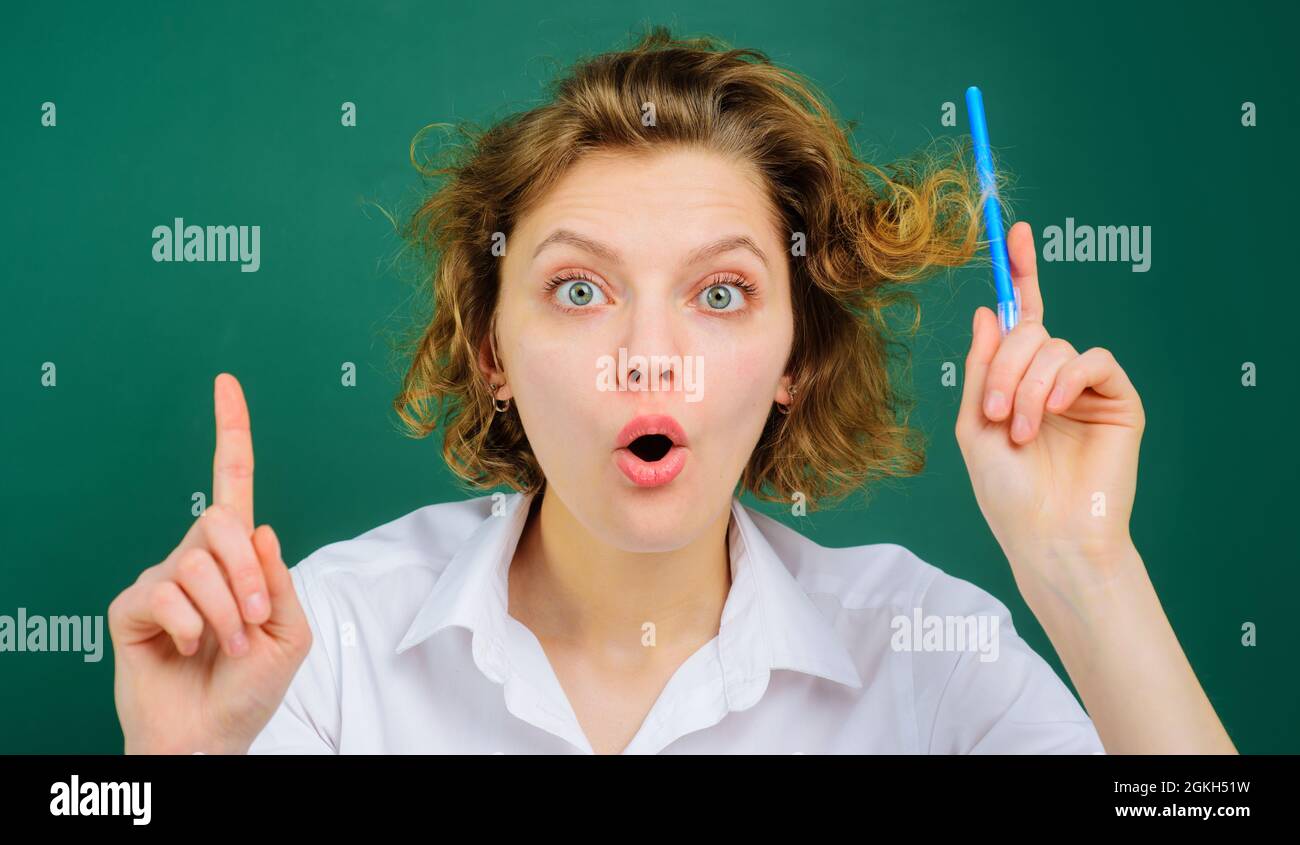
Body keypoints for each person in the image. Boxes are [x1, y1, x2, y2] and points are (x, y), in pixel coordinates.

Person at [108, 28, 1236, 754]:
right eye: (582, 287)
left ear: (796, 356)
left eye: (723, 293)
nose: (649, 357)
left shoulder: (927, 650)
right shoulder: (330, 643)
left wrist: (1084, 568)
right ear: (490, 349)